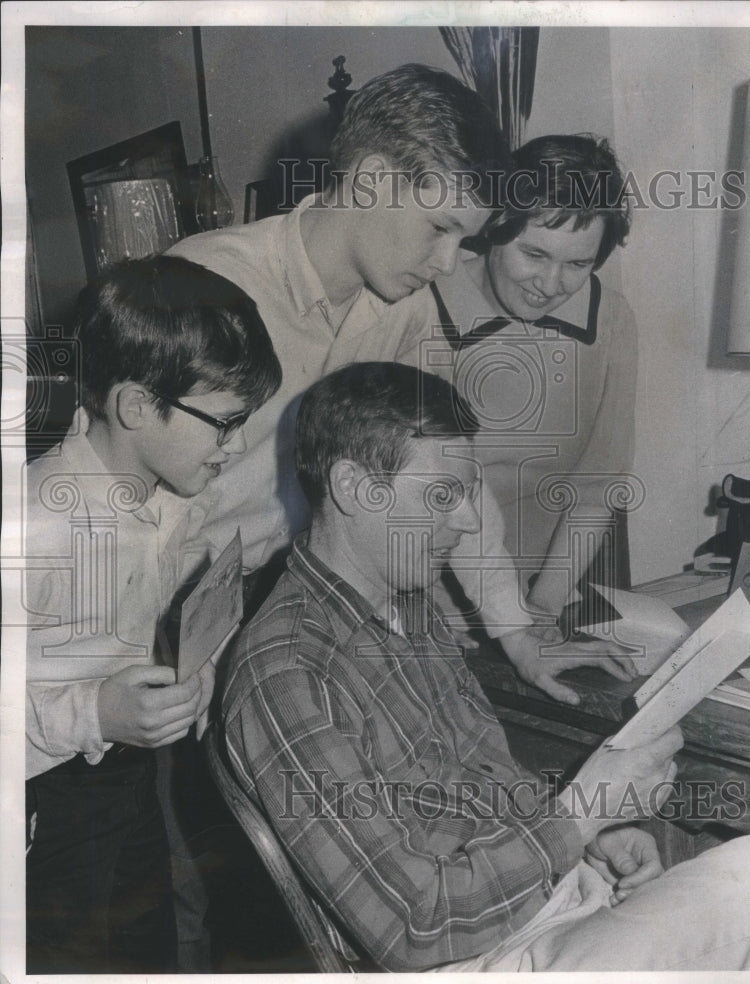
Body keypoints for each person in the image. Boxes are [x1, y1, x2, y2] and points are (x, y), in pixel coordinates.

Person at [222, 361, 750, 973]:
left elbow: (481, 784)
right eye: (443, 495)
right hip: (467, 966)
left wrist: (586, 840)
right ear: (354, 486)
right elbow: (415, 927)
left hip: (544, 908)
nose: (466, 520)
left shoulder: (407, 604)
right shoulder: (291, 674)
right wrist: (579, 813)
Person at [170, 66, 631, 705]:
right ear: (370, 182)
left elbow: (448, 478)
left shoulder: (403, 309)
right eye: (440, 228)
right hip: (150, 618)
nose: (448, 263)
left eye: (463, 239)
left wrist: (518, 630)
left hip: (274, 609)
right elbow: (118, 495)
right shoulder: (203, 283)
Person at [25, 255, 282, 972]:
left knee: (144, 958)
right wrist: (95, 714)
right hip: (39, 807)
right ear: (138, 407)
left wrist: (186, 673)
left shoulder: (166, 495)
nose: (236, 449)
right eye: (226, 425)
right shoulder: (36, 526)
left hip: (126, 785)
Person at [431, 134, 637, 624]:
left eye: (578, 264)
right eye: (536, 255)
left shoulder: (609, 319)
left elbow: (596, 486)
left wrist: (542, 609)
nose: (551, 285)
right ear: (497, 225)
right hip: (421, 602)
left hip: (541, 598)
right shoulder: (422, 303)